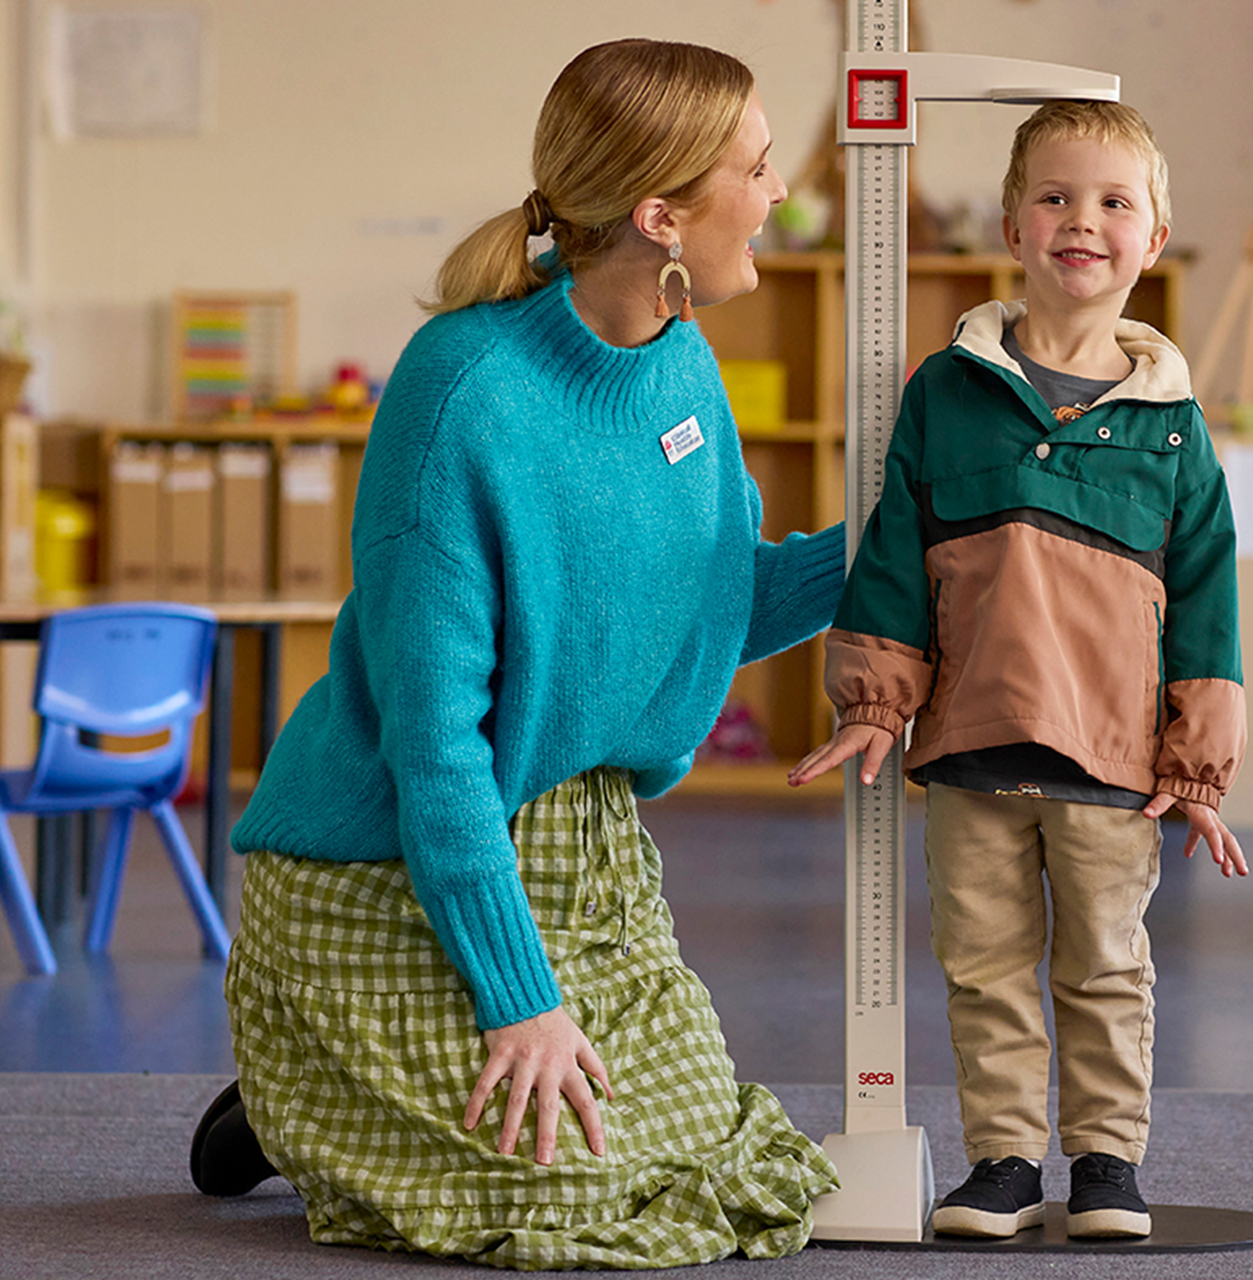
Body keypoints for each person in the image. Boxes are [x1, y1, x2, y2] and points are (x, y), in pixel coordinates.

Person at [189, 38, 846, 1270]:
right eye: (756, 172)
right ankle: (299, 1087)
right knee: (579, 1198)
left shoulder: (684, 359)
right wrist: (519, 997)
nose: (779, 196)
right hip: (393, 863)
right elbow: (435, 751)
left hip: (586, 851)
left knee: (704, 1154)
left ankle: (334, 1096)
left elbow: (710, 604)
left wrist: (891, 552)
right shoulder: (461, 395)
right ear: (661, 216)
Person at [789, 99, 1249, 1240]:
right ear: (1010, 224)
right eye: (1054, 196)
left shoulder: (1178, 427)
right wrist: (874, 700)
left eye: (1111, 202)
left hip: (1112, 758)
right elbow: (897, 546)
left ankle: (1105, 1164)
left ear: (1153, 236)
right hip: (968, 744)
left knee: (1103, 966)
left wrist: (1196, 764)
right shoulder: (946, 392)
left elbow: (1208, 605)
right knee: (984, 966)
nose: (1080, 221)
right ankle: (1001, 1161)